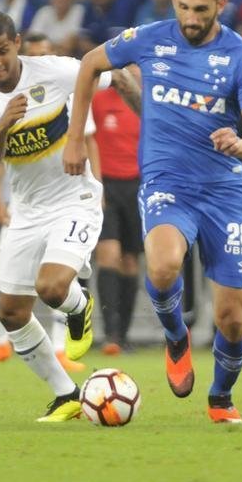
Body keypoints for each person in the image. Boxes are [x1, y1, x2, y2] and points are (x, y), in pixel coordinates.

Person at [64, 0, 242, 425]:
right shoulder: (150, 38)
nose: (191, 18)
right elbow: (89, 64)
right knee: (161, 267)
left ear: (220, 5)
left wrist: (241, 145)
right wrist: (77, 137)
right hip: (167, 183)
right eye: (183, 7)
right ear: (173, 2)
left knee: (233, 318)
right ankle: (176, 337)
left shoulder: (241, 57)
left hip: (224, 192)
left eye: (201, 9)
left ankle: (220, 397)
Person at [0, 10, 99, 422]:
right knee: (11, 312)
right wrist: (3, 123)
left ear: (17, 43)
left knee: (53, 288)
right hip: (27, 210)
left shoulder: (53, 71)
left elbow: (98, 70)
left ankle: (78, 304)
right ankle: (66, 395)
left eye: (2, 51)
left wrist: (125, 84)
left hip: (76, 198)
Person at [91, 53, 142, 357]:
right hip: (106, 185)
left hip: (138, 186)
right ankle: (109, 333)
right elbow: (89, 141)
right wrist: (95, 185)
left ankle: (124, 333)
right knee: (107, 254)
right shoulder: (100, 100)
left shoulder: (149, 104)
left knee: (130, 261)